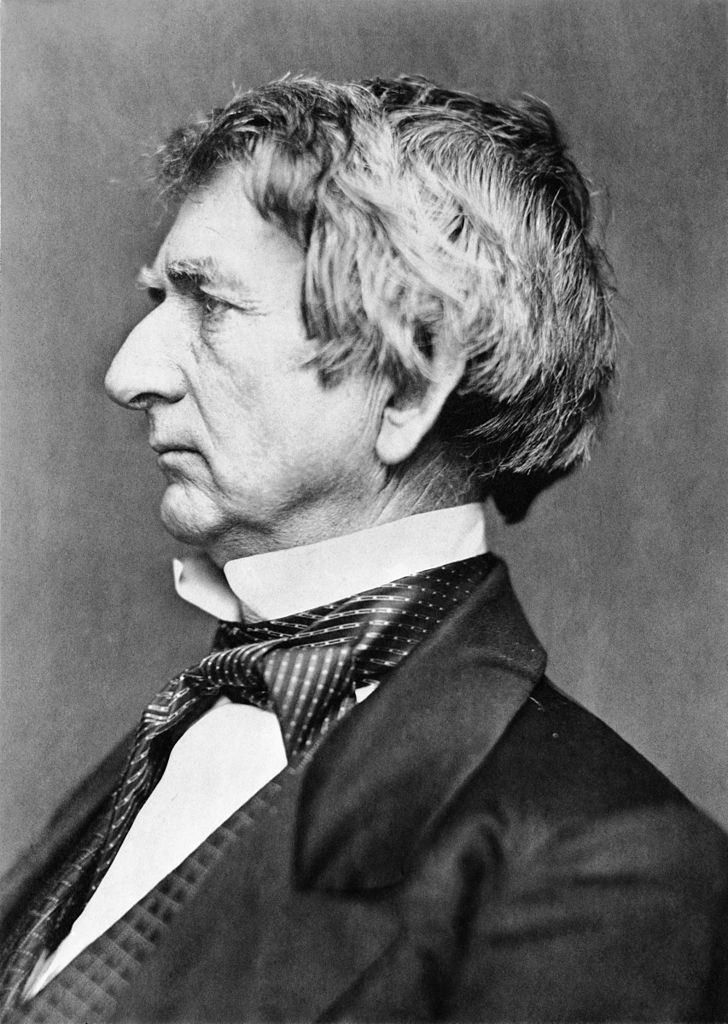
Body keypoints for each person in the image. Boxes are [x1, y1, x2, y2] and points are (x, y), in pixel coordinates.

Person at [1, 73, 726, 1023]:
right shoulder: (185, 727)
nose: (126, 372)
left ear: (409, 384)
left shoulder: (609, 871)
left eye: (208, 304)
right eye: (157, 298)